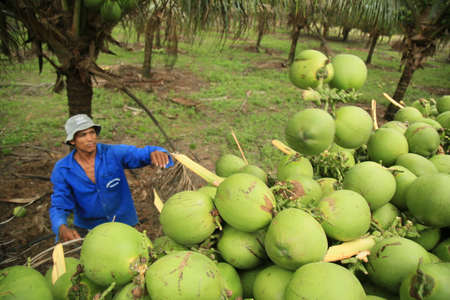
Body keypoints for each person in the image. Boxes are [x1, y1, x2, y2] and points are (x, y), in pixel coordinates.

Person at [49, 114, 173, 242]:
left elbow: (140, 154)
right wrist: (61, 226)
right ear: (72, 141)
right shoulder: (63, 169)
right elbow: (59, 203)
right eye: (83, 135)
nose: (90, 138)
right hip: (88, 229)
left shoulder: (113, 153)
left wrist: (158, 152)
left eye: (92, 132)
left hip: (124, 223)